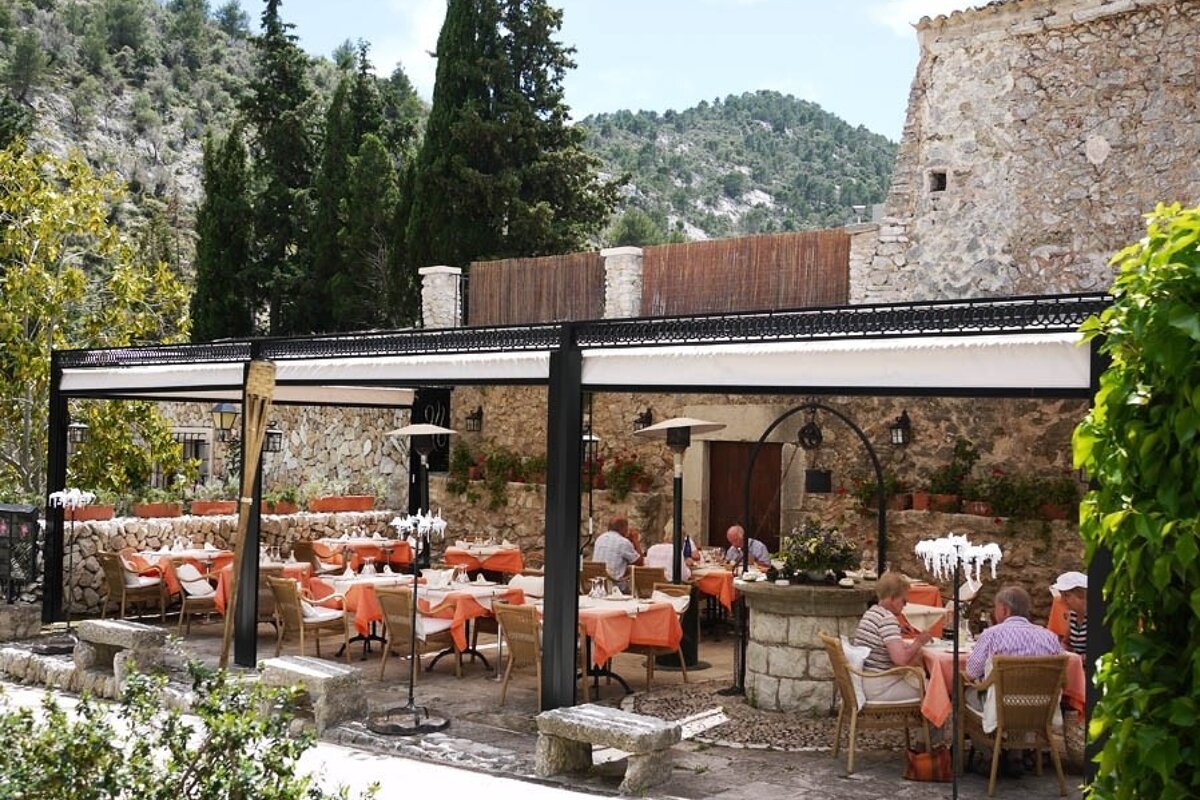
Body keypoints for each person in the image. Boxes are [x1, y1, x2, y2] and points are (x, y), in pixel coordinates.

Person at [851, 571, 932, 701]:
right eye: (903, 601)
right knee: (933, 690)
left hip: (866, 679)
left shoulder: (872, 612)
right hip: (879, 685)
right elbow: (900, 660)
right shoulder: (887, 619)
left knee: (922, 680)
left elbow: (880, 637)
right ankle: (931, 721)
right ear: (891, 598)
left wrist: (897, 629)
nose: (905, 606)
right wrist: (919, 642)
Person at [965, 585, 1063, 681]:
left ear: (1005, 610)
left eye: (996, 608)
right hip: (1044, 696)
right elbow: (1062, 672)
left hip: (999, 696)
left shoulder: (991, 635)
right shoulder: (1050, 638)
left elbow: (971, 673)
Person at [591, 514, 642, 592]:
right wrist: (635, 540)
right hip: (615, 586)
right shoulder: (623, 542)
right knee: (638, 577)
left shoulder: (600, 538)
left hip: (598, 585)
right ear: (623, 528)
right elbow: (640, 563)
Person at [1052, 571, 1088, 656]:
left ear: (1081, 594)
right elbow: (1066, 643)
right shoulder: (1072, 615)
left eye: (1067, 595)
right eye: (1062, 595)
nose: (1062, 600)